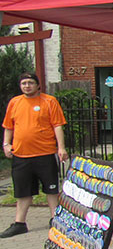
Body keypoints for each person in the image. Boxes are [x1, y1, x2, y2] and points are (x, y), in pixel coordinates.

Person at [2, 72, 68, 238]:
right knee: (22, 191)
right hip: (22, 155)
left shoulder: (49, 101)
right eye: (24, 83)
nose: (27, 86)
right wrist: (6, 144)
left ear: (38, 85)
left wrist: (61, 148)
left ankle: (55, 220)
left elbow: (57, 126)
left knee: (51, 189)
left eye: (30, 83)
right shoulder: (15, 103)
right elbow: (8, 126)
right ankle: (19, 223)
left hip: (45, 153)